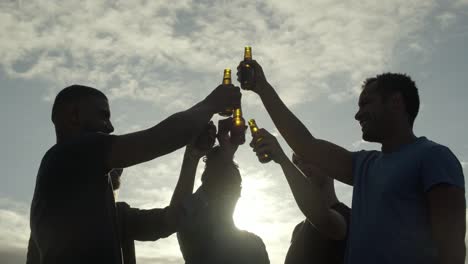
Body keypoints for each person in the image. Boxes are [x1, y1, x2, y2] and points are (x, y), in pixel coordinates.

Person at [240, 61, 465, 264]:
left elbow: (452, 248)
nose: (358, 115)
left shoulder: (434, 156)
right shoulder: (363, 164)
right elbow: (305, 145)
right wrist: (262, 88)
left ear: (396, 102)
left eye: (366, 103)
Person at [29, 84, 240, 264]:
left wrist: (192, 156)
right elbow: (156, 139)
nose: (110, 128)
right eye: (103, 116)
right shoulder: (66, 153)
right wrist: (211, 103)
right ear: (74, 116)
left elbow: (171, 220)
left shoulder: (116, 215)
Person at [172, 118, 270, 264]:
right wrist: (225, 154)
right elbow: (176, 215)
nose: (226, 188)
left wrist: (223, 152)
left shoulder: (254, 244)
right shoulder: (195, 235)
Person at [251, 128, 350, 264]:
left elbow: (324, 219)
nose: (300, 165)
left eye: (307, 158)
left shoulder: (348, 217)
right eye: (295, 162)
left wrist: (282, 158)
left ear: (329, 165)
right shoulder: (298, 230)